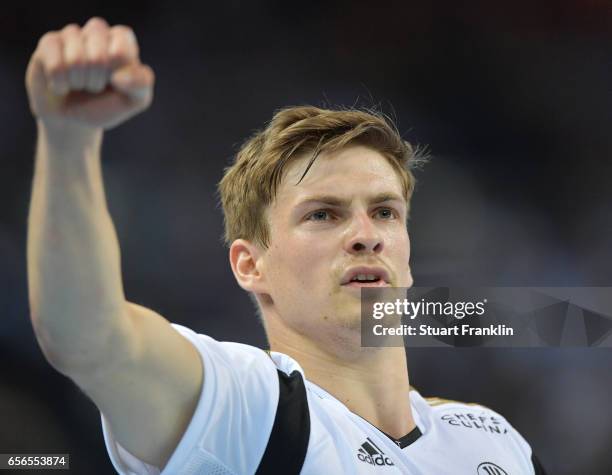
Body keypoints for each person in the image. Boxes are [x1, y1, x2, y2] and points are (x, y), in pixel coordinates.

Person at [25, 17, 547, 475]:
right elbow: (89, 337)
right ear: (251, 265)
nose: (367, 234)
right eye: (323, 214)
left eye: (385, 211)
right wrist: (69, 137)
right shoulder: (251, 410)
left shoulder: (495, 441)